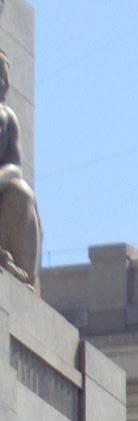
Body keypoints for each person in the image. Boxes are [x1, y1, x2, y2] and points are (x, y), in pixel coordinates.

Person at [0, 51, 41, 287]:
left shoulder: (7, 117)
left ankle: (21, 272)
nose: (5, 84)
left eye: (5, 78)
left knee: (22, 192)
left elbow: (15, 165)